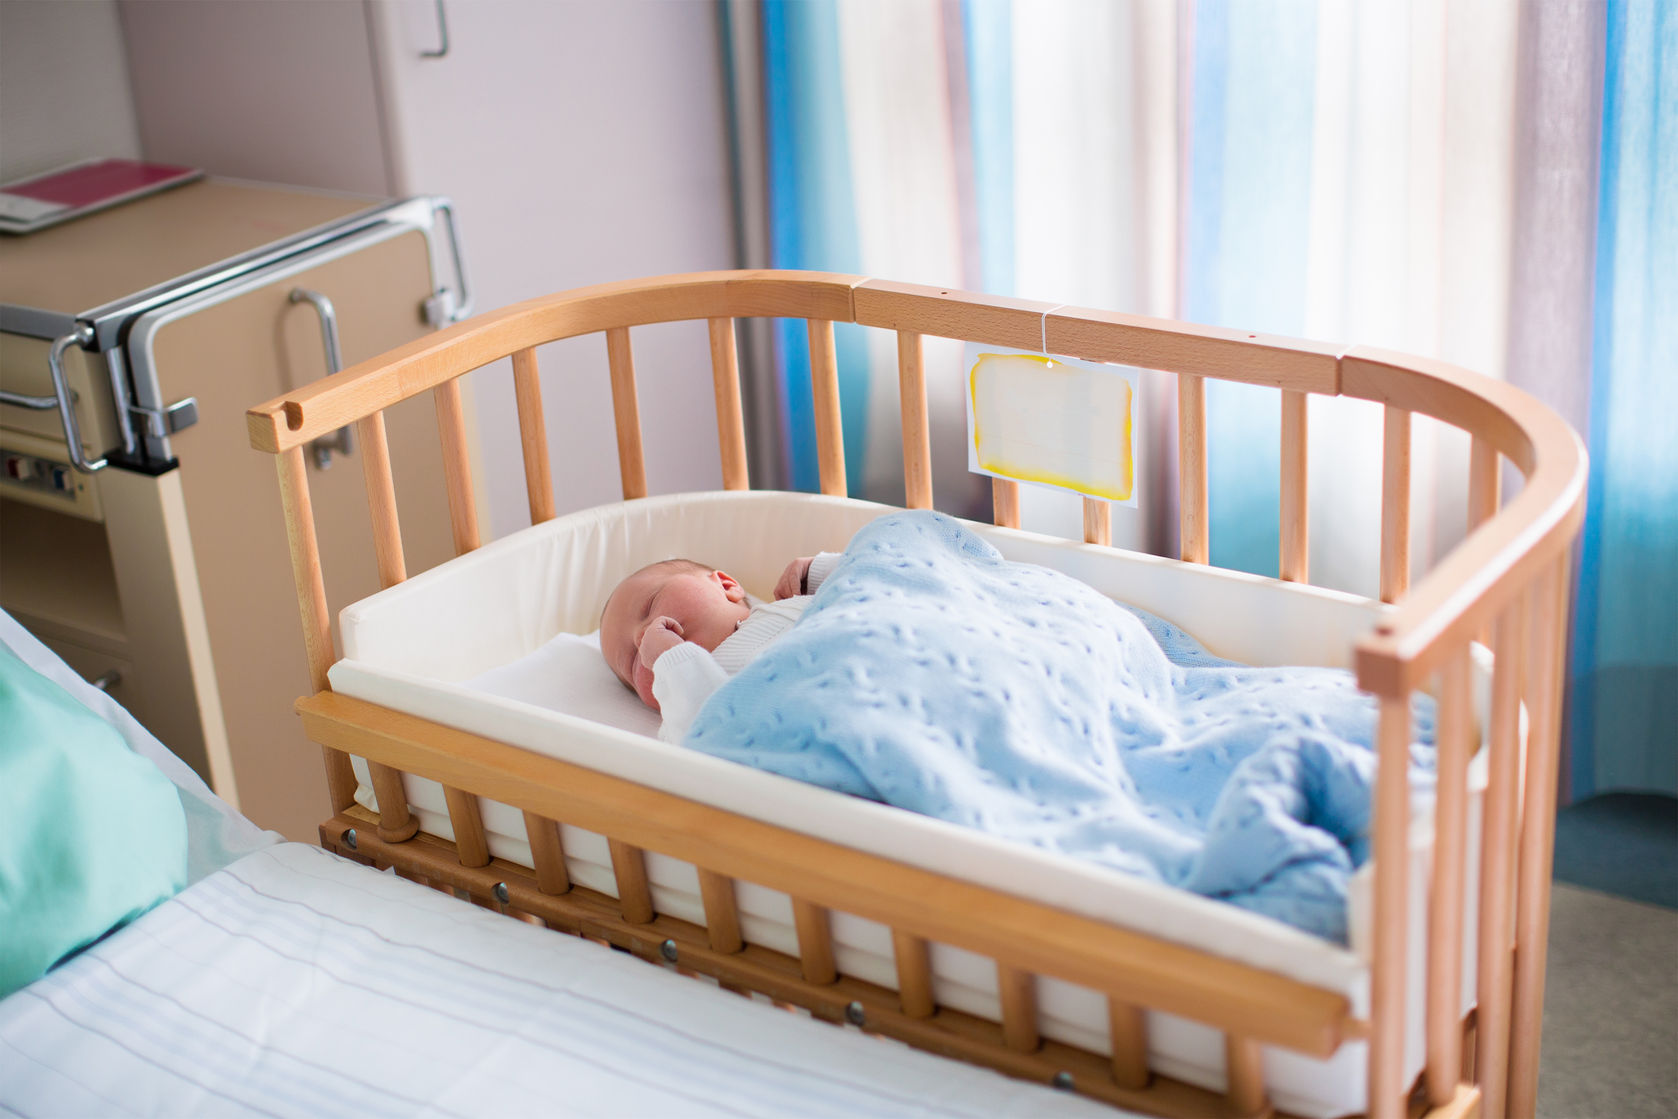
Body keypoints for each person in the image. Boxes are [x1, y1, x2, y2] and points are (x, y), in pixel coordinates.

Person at [599, 552, 840, 741]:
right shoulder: (689, 711)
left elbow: (869, 585)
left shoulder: (798, 601)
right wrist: (673, 662)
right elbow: (712, 738)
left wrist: (822, 572)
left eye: (650, 605)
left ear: (726, 585)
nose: (642, 637)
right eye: (632, 661)